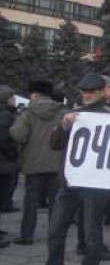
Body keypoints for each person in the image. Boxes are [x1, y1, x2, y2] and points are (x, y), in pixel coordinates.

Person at [28, 73, 110, 265]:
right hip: (70, 183)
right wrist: (64, 126)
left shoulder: (108, 117)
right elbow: (54, 144)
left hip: (94, 186)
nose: (87, 95)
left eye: (91, 92)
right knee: (55, 230)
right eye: (84, 92)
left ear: (101, 92)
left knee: (92, 235)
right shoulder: (74, 115)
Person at [10, 80, 66, 245]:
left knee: (31, 201)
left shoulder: (28, 113)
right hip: (57, 163)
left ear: (34, 94)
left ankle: (27, 236)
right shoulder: (62, 111)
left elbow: (18, 134)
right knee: (56, 202)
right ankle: (55, 236)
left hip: (33, 164)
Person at [0, 86, 17, 248]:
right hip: (3, 162)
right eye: (12, 97)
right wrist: (13, 154)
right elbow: (4, 138)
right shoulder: (5, 114)